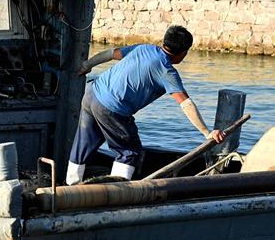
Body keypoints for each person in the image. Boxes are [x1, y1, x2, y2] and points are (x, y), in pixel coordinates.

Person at [66, 26, 226, 185]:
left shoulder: (144, 48)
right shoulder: (166, 71)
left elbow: (110, 53)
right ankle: (116, 192)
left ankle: (69, 186)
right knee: (129, 151)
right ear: (183, 52)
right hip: (111, 107)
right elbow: (186, 103)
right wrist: (207, 133)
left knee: (84, 143)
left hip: (91, 93)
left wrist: (87, 65)